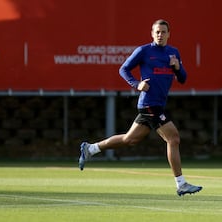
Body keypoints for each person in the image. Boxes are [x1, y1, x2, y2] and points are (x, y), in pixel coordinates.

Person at [78, 19, 202, 196]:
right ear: (152, 34)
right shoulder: (144, 51)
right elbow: (124, 69)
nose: (160, 35)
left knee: (130, 139)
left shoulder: (173, 53)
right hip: (149, 104)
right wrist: (137, 84)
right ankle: (181, 183)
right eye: (157, 32)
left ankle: (91, 149)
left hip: (157, 104)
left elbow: (182, 78)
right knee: (173, 138)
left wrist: (178, 66)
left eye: (163, 32)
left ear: (169, 34)